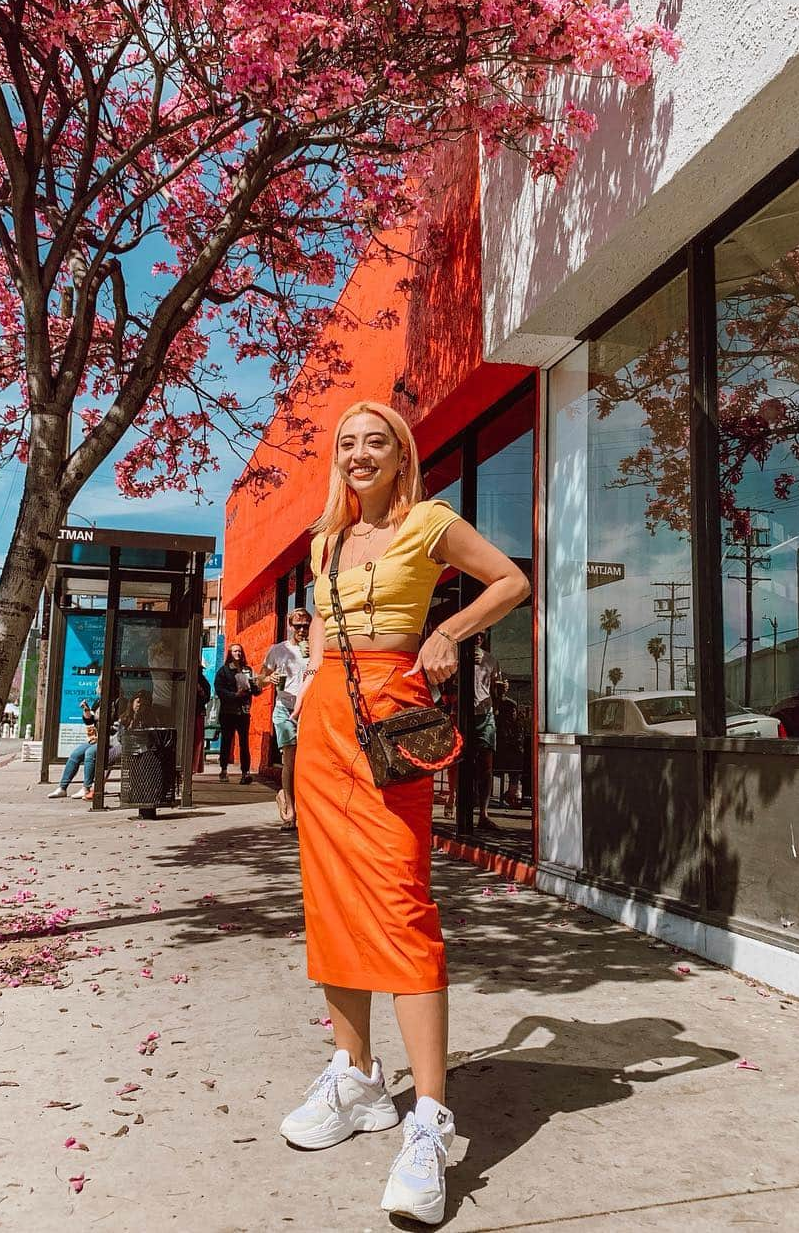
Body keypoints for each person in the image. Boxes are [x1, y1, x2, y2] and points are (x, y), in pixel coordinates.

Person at [279, 401, 528, 1225]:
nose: (358, 454)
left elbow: (511, 580)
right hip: (324, 732)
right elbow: (315, 660)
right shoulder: (323, 540)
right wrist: (289, 761)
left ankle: (429, 1122)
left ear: (400, 456)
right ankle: (355, 1077)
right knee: (332, 904)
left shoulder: (429, 522)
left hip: (393, 722)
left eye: (374, 442)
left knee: (400, 907)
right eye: (347, 442)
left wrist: (450, 630)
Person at [262, 609, 311, 830]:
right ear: (290, 626)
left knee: (307, 761)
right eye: (298, 625)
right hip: (284, 709)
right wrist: (268, 678)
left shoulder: (315, 649)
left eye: (306, 625)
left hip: (309, 708)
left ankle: (285, 796)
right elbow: (259, 677)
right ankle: (291, 812)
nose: (302, 630)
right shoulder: (278, 650)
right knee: (290, 758)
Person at [472, 630, 507, 830]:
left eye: (482, 636)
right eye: (475, 634)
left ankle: (483, 813)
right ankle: (458, 802)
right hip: (465, 714)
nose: (478, 638)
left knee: (486, 765)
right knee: (462, 763)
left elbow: (496, 689)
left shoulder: (491, 660)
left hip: (485, 714)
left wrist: (501, 693)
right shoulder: (457, 658)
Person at [213, 643, 261, 782]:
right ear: (230, 653)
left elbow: (256, 691)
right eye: (235, 651)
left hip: (244, 712)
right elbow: (219, 690)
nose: (238, 654)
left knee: (244, 743)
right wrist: (235, 695)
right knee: (226, 741)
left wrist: (256, 685)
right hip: (228, 712)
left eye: (240, 651)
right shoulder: (224, 671)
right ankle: (223, 769)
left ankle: (245, 773)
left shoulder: (248, 670)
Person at [193, 667, 211, 774]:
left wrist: (199, 689)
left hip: (198, 712)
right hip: (189, 711)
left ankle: (195, 766)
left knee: (197, 739)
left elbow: (206, 697)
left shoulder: (203, 681)